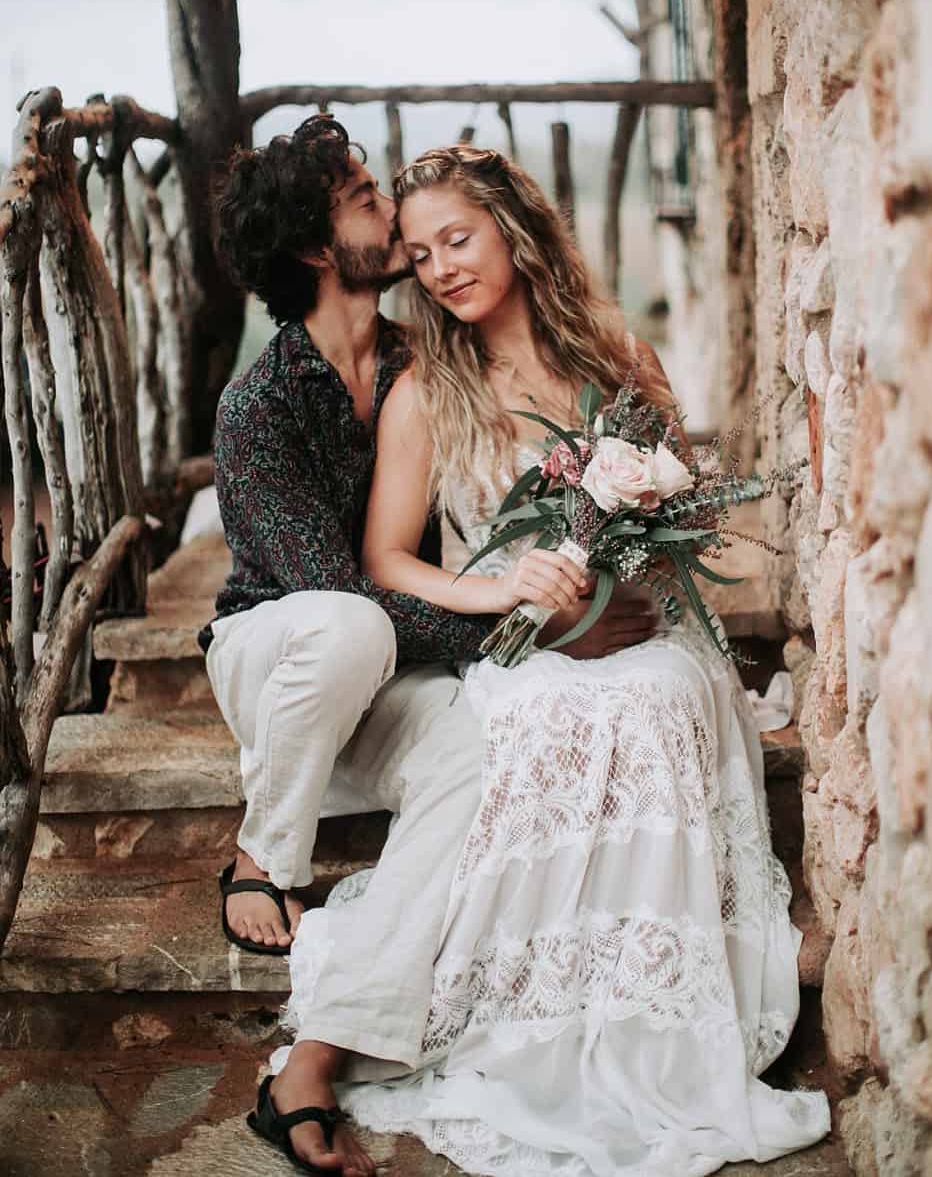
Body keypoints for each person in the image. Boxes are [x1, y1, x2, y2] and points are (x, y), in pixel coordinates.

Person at [277, 145, 831, 1176]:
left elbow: (677, 503)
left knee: (659, 689)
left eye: (460, 239)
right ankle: (517, 999)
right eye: (422, 252)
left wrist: (631, 584)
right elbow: (387, 557)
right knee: (536, 718)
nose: (442, 268)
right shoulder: (427, 389)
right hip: (518, 638)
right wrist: (505, 589)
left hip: (636, 622)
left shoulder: (612, 349)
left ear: (514, 232)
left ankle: (642, 998)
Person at [203, 118, 661, 1176]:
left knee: (477, 757)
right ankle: (266, 849)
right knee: (348, 619)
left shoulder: (422, 360)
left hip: (394, 677)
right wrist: (520, 622)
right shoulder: (258, 406)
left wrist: (572, 601)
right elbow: (342, 586)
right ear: (321, 247)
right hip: (280, 663)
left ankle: (311, 1064)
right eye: (367, 198)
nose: (398, 225)